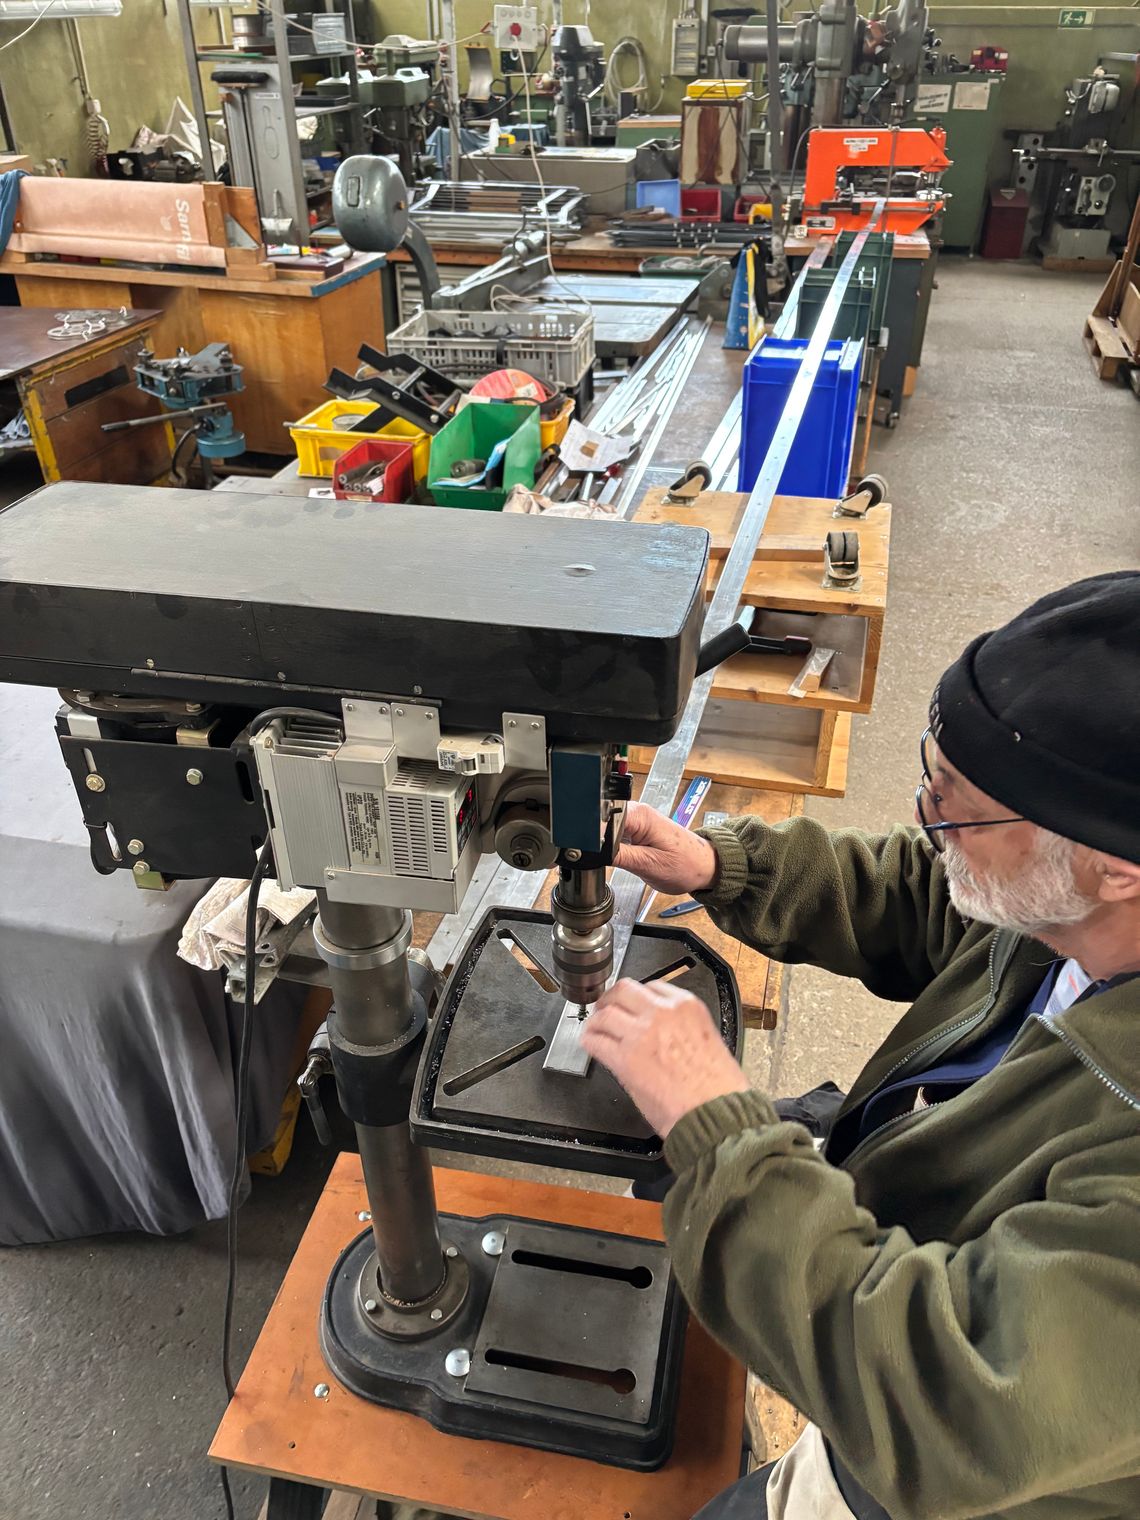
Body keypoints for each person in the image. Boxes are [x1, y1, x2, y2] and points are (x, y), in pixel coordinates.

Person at [581, 573, 1140, 1520]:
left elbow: (943, 1408)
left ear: (1113, 870)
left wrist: (723, 1131)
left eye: (958, 808)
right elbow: (938, 894)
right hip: (929, 1190)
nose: (927, 818)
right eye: (931, 775)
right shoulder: (1072, 902)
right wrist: (726, 867)